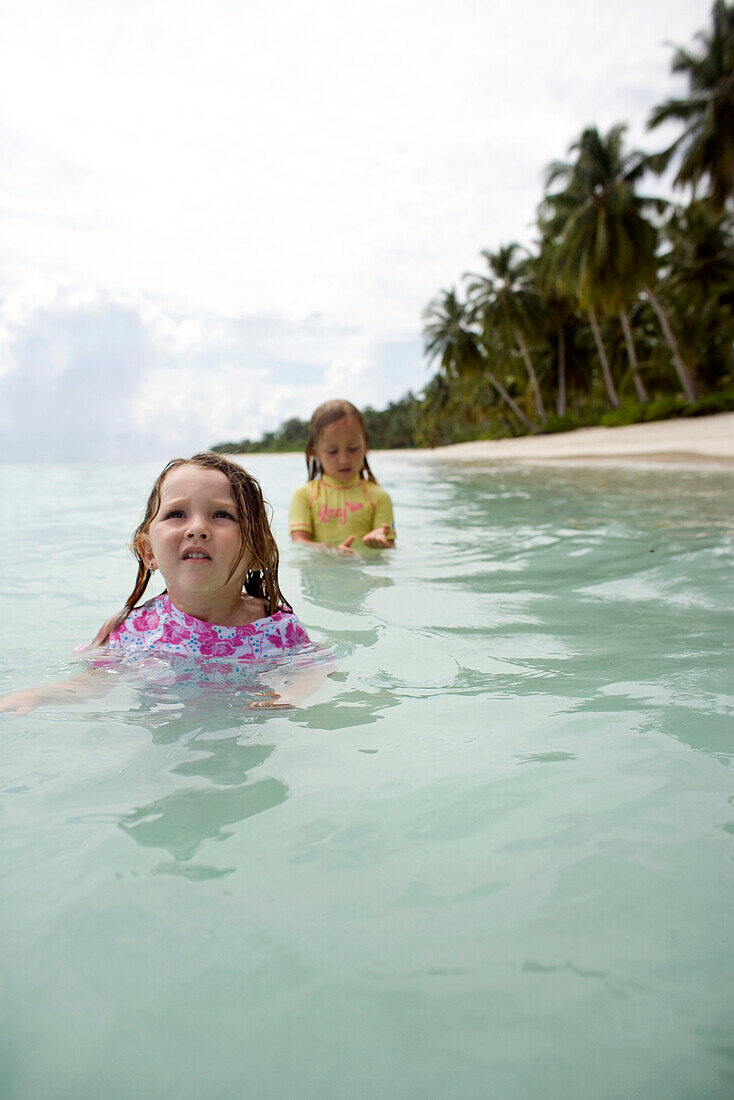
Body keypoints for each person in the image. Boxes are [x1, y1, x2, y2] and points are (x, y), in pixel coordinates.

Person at [0, 453, 323, 715]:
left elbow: (314, 668)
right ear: (148, 551)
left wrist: (289, 696)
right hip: (161, 734)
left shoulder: (276, 627)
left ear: (256, 552)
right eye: (177, 514)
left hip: (247, 734)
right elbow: (91, 683)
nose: (197, 528)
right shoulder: (130, 629)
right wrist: (39, 694)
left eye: (222, 515)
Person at [289, 399, 396, 554]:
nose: (344, 460)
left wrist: (381, 542)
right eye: (332, 451)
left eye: (353, 449)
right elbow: (299, 542)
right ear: (315, 452)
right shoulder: (304, 496)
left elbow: (390, 546)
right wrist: (332, 553)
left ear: (366, 446)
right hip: (322, 572)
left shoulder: (380, 497)